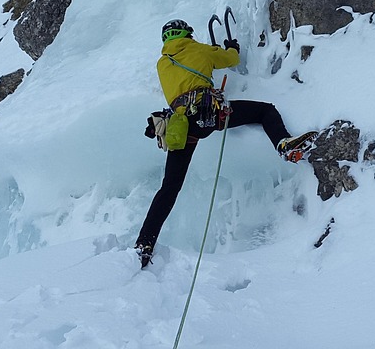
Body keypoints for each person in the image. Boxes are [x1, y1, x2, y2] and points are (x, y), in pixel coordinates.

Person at [135, 18, 315, 268]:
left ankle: (145, 242)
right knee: (264, 111)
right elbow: (231, 60)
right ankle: (283, 144)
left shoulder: (162, 63)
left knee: (169, 187)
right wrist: (231, 47)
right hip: (211, 115)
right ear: (187, 33)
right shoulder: (199, 49)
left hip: (182, 127)